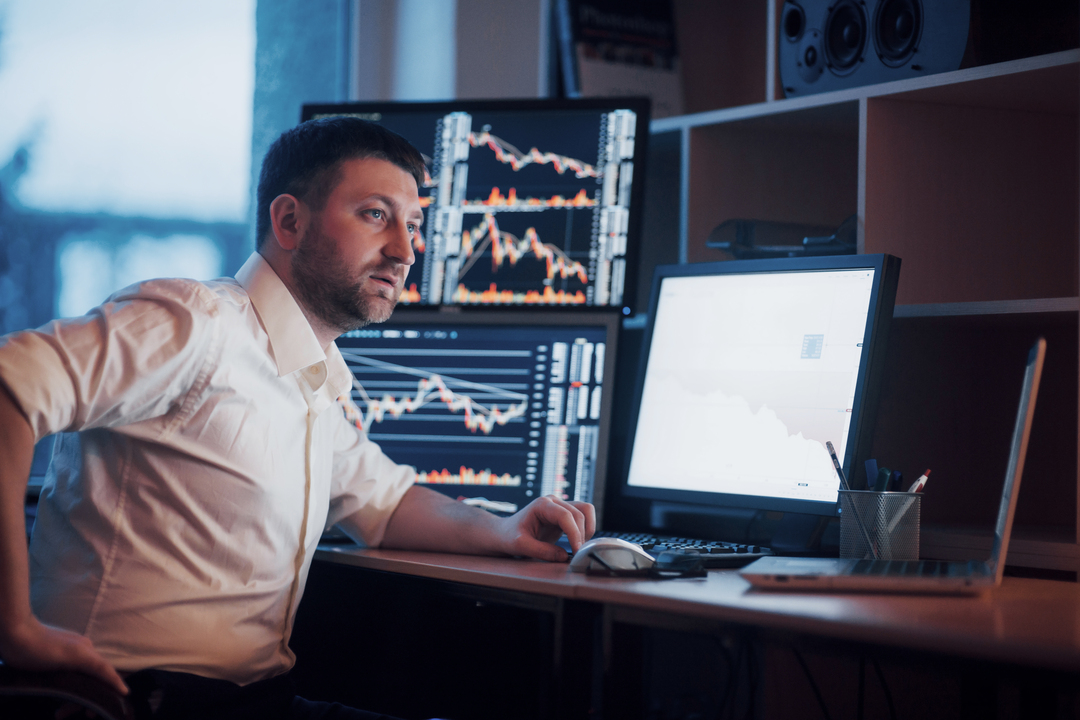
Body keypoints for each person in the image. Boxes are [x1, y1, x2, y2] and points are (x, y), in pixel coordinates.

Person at [0, 117, 595, 719]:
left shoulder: (309, 375)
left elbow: (385, 506)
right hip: (132, 702)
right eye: (375, 214)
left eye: (412, 225)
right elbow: (6, 388)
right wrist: (13, 627)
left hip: (253, 701)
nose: (405, 250)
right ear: (289, 221)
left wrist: (503, 530)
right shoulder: (196, 324)